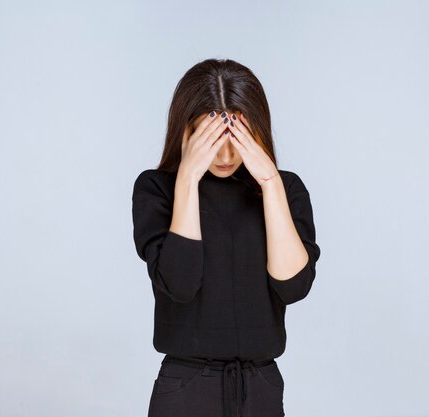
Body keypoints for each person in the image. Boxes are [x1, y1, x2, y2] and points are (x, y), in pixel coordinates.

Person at [132, 58, 321, 417]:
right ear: (186, 132)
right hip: (185, 386)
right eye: (212, 139)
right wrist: (187, 178)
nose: (226, 155)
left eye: (238, 139)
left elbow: (294, 286)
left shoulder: (286, 190)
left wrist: (270, 184)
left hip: (260, 385)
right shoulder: (156, 190)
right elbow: (180, 283)